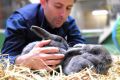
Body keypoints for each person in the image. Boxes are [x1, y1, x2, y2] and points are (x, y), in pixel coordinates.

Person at [1, 0, 85, 71]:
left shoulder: (69, 22)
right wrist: (23, 61)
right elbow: (4, 61)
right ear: (43, 2)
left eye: (68, 8)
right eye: (58, 6)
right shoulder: (20, 20)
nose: (63, 15)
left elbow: (82, 50)